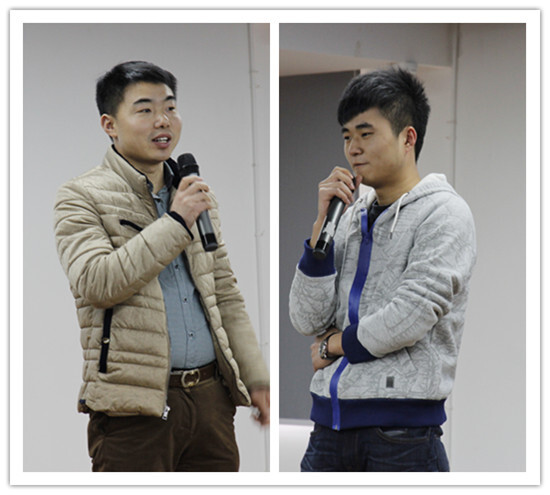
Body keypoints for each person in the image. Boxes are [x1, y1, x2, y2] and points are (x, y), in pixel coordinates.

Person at [54, 61, 270, 472]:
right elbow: (97, 282)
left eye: (170, 107)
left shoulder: (194, 195)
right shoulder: (81, 196)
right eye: (145, 109)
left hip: (210, 400)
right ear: (109, 125)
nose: (163, 120)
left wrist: (256, 376)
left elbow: (224, 293)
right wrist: (175, 222)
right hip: (134, 409)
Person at [289, 67, 476, 472]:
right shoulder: (348, 216)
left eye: (366, 133)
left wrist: (333, 346)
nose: (353, 149)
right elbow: (306, 318)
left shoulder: (445, 213)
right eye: (346, 136)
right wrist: (320, 229)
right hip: (327, 431)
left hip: (402, 436)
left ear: (408, 138)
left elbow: (410, 315)